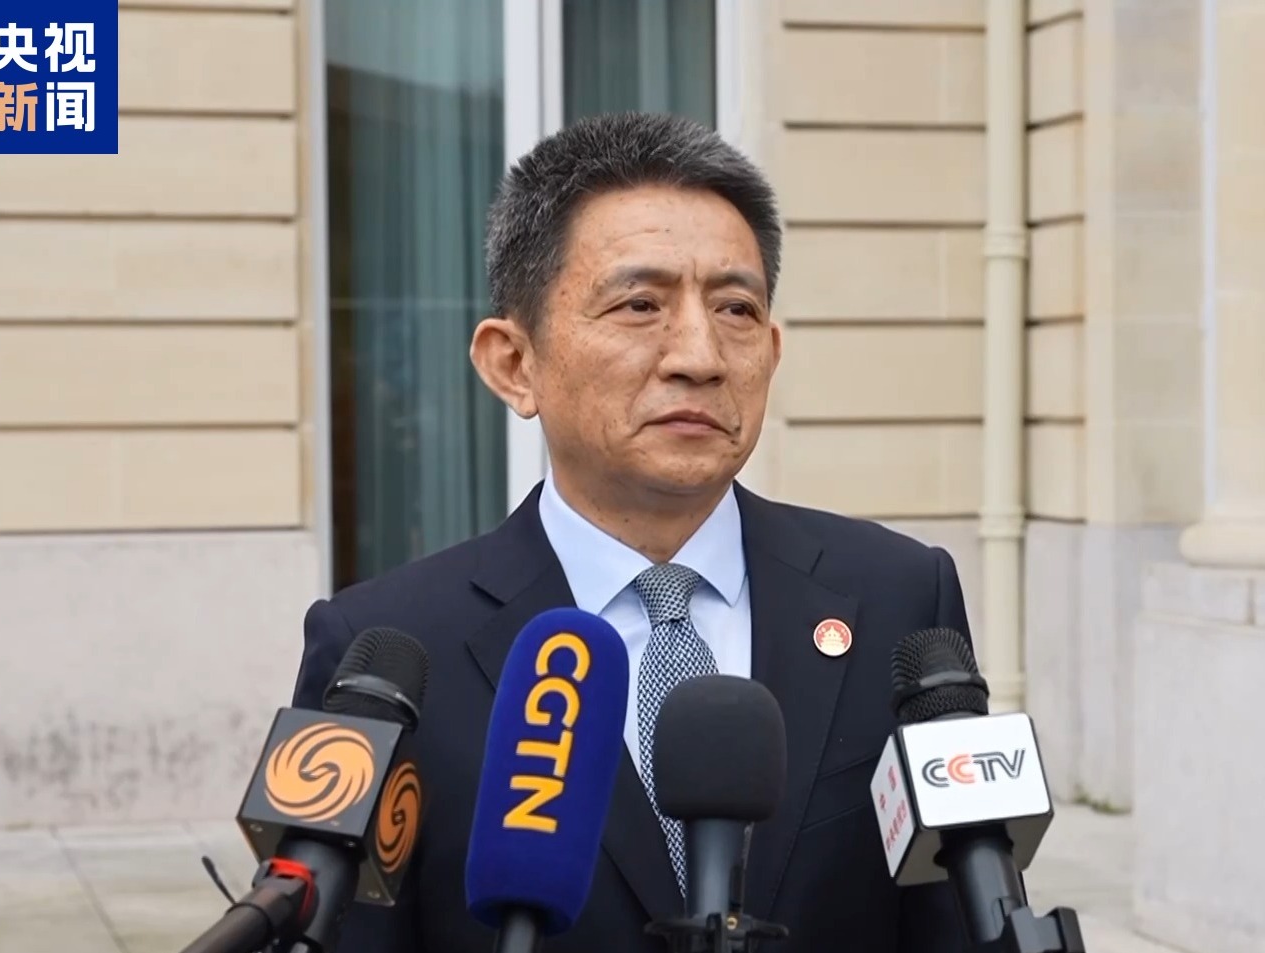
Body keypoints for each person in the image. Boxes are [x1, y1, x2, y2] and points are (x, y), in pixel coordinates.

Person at [292, 111, 971, 953]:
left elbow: (961, 917)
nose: (700, 355)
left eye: (735, 308)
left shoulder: (898, 598)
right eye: (640, 304)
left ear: (771, 349)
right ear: (514, 363)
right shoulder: (387, 653)